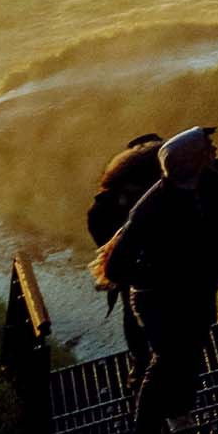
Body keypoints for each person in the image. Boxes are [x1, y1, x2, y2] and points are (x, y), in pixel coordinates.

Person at [93, 126, 218, 434]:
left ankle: (179, 409)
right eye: (207, 148)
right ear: (191, 161)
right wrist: (151, 276)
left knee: (192, 347)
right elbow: (116, 263)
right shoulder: (154, 206)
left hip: (195, 289)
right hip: (158, 298)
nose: (214, 150)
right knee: (166, 361)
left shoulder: (211, 184)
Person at [83, 133, 169, 353]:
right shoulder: (149, 182)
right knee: (141, 310)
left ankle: (140, 364)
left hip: (129, 259)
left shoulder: (120, 181)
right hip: (136, 260)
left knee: (132, 309)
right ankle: (146, 363)